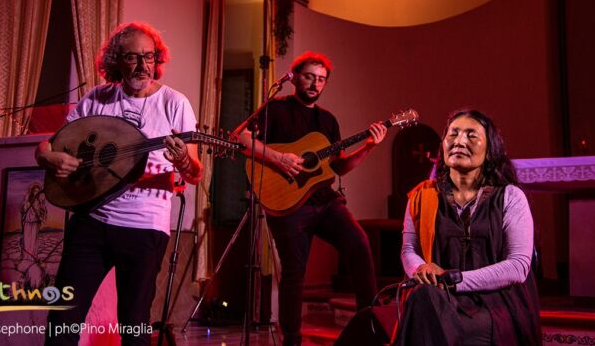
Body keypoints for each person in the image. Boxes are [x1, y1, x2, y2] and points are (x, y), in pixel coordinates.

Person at [35, 22, 203, 345]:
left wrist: (182, 159)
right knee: (62, 320)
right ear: (116, 61)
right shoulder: (98, 99)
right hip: (91, 221)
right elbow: (47, 147)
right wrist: (48, 158)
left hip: (144, 229)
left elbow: (195, 173)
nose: (143, 66)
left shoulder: (174, 103)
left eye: (149, 57)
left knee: (133, 325)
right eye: (132, 58)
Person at [236, 51, 388, 346]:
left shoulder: (327, 121)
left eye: (321, 79)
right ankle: (292, 340)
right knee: (294, 272)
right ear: (294, 77)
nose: (315, 83)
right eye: (309, 76)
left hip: (325, 201)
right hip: (287, 205)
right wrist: (280, 159)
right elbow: (240, 138)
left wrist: (368, 146)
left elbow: (339, 166)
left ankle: (368, 328)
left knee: (359, 244)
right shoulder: (275, 109)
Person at [395, 109, 541, 345]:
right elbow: (408, 249)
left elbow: (518, 266)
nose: (459, 141)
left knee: (431, 320)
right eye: (453, 134)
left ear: (490, 149)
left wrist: (452, 278)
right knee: (423, 299)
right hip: (441, 297)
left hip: (497, 302)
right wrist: (422, 271)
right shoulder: (422, 195)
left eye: (471, 135)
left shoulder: (510, 197)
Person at [20, 182, 48, 289]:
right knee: (27, 240)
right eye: (34, 191)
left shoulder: (38, 202)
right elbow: (23, 210)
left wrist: (42, 209)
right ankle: (26, 257)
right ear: (32, 191)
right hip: (27, 223)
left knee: (34, 240)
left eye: (37, 191)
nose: (36, 193)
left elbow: (43, 212)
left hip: (35, 223)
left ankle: (33, 257)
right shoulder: (27, 201)